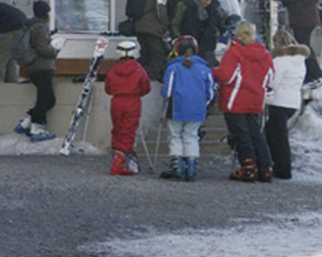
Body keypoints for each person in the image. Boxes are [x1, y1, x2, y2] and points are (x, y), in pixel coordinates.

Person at [214, 21, 275, 181]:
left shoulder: (235, 52)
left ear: (236, 34)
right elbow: (270, 76)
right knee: (256, 133)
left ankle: (248, 167)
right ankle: (266, 167)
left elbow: (226, 76)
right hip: (255, 98)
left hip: (235, 98)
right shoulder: (265, 53)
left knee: (241, 135)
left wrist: (212, 72)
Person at [160, 34, 215, 180]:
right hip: (197, 108)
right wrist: (203, 104)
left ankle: (176, 166)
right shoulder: (204, 69)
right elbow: (210, 92)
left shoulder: (173, 68)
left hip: (176, 107)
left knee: (175, 135)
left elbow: (168, 91)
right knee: (191, 135)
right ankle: (191, 167)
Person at [104, 38, 154, 174]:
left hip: (116, 101)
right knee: (128, 131)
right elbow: (146, 87)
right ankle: (120, 162)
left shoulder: (114, 70)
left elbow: (108, 88)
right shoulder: (138, 69)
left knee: (118, 129)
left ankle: (117, 156)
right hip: (132, 102)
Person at [265, 30, 309, 179]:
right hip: (293, 101)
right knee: (275, 132)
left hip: (279, 100)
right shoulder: (300, 60)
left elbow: (274, 82)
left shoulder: (280, 60)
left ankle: (282, 169)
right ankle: (278, 165)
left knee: (278, 137)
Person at [15, 0, 59, 141]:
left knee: (49, 99)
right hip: (42, 67)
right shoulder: (40, 27)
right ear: (45, 13)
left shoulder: (30, 26)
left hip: (33, 68)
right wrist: (55, 51)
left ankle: (26, 121)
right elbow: (42, 48)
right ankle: (36, 127)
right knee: (45, 99)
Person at [133, 0, 174, 80]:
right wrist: (166, 25)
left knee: (145, 53)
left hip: (139, 29)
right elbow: (161, 13)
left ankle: (136, 73)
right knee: (157, 54)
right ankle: (150, 76)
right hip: (153, 30)